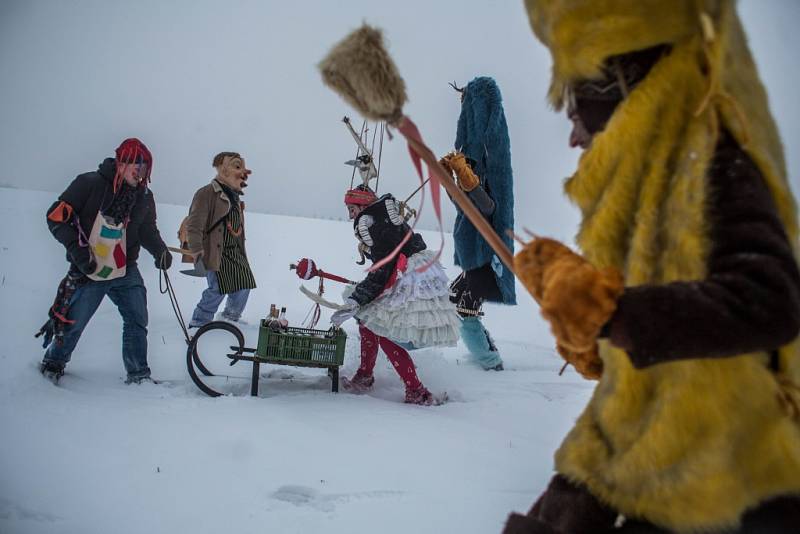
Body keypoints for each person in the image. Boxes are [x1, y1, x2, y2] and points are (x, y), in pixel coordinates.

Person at [505, 1, 800, 533]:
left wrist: (611, 312)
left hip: (730, 476)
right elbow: (648, 340)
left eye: (575, 107)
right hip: (637, 443)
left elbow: (770, 301)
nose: (573, 136)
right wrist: (587, 326)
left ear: (621, 81)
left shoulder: (713, 161)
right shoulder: (640, 199)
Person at [38, 138, 171, 384]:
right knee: (74, 321)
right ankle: (53, 364)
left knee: (137, 319)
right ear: (121, 163)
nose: (140, 174)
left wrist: (160, 251)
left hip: (125, 268)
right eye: (136, 167)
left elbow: (146, 231)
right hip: (91, 268)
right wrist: (78, 253)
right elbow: (55, 218)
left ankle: (138, 375)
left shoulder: (143, 196)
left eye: (144, 169)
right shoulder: (88, 184)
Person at [332, 185, 460, 405]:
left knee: (385, 329)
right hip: (411, 271)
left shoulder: (371, 223)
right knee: (369, 320)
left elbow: (384, 268)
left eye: (352, 209)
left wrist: (357, 298)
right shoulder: (383, 216)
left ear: (362, 206)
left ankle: (416, 391)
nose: (350, 215)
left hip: (409, 278)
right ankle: (365, 376)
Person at [440, 76, 516, 372]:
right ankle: (488, 356)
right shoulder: (472, 161)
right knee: (461, 304)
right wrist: (451, 179)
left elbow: (486, 207)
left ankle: (490, 363)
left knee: (463, 307)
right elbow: (465, 206)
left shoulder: (487, 162)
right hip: (479, 252)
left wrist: (466, 178)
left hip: (488, 253)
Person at [183, 152, 256, 328]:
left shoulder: (234, 196)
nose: (243, 172)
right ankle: (199, 322)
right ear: (223, 170)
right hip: (215, 250)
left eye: (242, 167)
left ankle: (230, 318)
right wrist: (197, 249)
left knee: (244, 282)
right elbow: (194, 225)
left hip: (234, 251)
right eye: (237, 167)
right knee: (217, 288)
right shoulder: (206, 194)